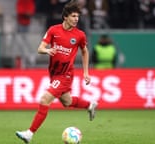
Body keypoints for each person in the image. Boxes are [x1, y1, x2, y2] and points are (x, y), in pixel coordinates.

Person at [15, 1, 98, 143]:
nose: (76, 19)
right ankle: (90, 105)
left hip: (66, 74)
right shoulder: (54, 30)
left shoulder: (79, 35)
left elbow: (85, 51)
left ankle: (29, 133)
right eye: (73, 16)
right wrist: (47, 50)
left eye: (77, 16)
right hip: (54, 73)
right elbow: (40, 48)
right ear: (65, 17)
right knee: (67, 101)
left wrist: (86, 72)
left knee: (44, 99)